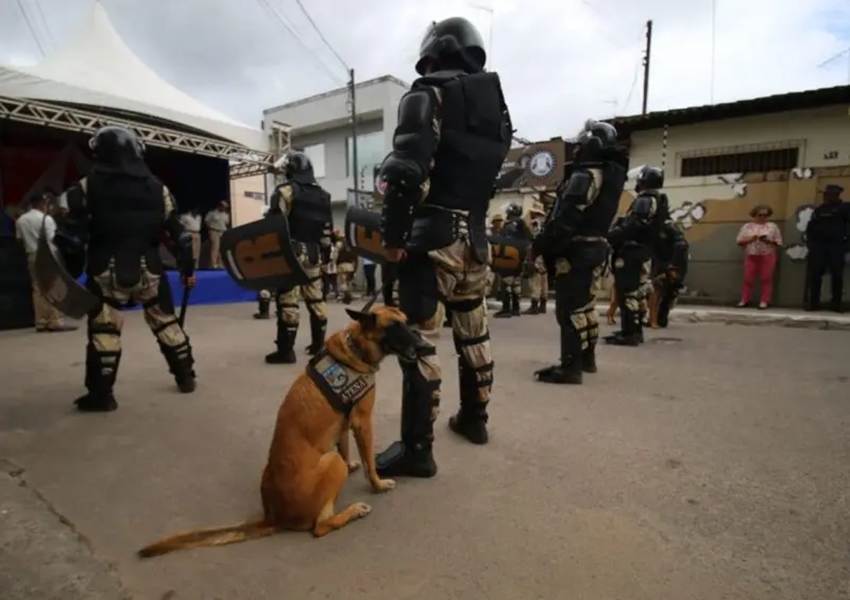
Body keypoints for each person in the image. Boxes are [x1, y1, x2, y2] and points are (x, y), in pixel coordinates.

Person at [374, 16, 512, 478]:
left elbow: (406, 172)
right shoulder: (498, 110)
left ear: (436, 50)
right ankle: (475, 420)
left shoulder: (427, 93)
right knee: (474, 335)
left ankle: (418, 449)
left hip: (432, 242)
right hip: (476, 240)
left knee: (420, 343)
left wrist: (393, 241)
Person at [57, 126, 197, 412]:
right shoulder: (160, 189)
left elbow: (72, 240)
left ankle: (102, 395)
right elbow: (181, 237)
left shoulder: (86, 187)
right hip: (152, 272)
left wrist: (69, 273)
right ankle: (186, 377)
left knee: (105, 330)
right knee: (167, 323)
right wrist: (187, 270)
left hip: (105, 271)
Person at [532, 120, 628, 383]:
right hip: (596, 247)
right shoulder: (609, 176)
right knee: (586, 307)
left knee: (569, 309)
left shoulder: (586, 175)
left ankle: (570, 367)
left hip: (577, 251)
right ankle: (587, 359)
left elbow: (565, 219)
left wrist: (541, 246)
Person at [265, 150, 333, 364]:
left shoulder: (285, 192)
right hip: (313, 254)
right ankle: (318, 345)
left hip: (291, 254)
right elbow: (326, 232)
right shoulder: (324, 195)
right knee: (316, 298)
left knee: (288, 300)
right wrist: (325, 256)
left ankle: (286, 351)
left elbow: (275, 227)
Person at [605, 165, 667, 346]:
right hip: (644, 251)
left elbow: (634, 226)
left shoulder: (646, 199)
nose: (637, 183)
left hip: (632, 252)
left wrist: (613, 235)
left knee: (627, 293)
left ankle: (630, 333)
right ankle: (634, 331)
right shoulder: (659, 199)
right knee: (638, 293)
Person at [15, 192, 77, 333]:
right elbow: (52, 240)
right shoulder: (46, 219)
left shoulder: (21, 220)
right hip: (47, 255)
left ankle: (41, 322)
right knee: (54, 288)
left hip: (31, 254)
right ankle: (55, 321)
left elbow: (19, 240)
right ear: (42, 204)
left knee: (38, 289)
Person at [805, 184, 848, 312]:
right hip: (819, 247)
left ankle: (836, 304)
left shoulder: (845, 209)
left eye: (827, 194)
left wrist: (846, 246)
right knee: (815, 275)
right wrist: (811, 244)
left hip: (836, 246)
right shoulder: (819, 210)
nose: (824, 196)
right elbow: (810, 228)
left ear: (835, 195)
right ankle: (814, 303)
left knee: (837, 276)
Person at [735, 204, 783, 309]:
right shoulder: (747, 226)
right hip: (751, 254)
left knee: (766, 278)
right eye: (760, 215)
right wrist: (751, 239)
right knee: (748, 278)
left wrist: (767, 241)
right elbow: (739, 241)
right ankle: (744, 299)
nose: (762, 217)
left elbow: (779, 242)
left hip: (767, 254)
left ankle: (765, 300)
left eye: (765, 215)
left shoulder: (772, 227)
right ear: (755, 215)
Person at [493, 202, 531, 318]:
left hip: (510, 254)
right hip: (521, 254)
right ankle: (516, 308)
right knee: (516, 282)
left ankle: (506, 309)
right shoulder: (523, 224)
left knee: (506, 282)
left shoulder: (510, 224)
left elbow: (505, 239)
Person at [653, 220, 689, 328]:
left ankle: (658, 318)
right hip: (669, 265)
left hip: (669, 265)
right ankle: (659, 318)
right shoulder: (677, 241)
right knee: (666, 293)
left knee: (663, 293)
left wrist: (671, 267)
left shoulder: (673, 239)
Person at [523, 202, 549, 315]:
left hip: (537, 253)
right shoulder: (546, 224)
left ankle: (534, 305)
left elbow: (533, 239)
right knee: (544, 280)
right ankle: (543, 305)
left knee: (535, 279)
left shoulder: (534, 224)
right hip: (545, 254)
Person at [204, 201, 230, 269]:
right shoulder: (212, 213)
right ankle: (213, 264)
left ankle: (220, 264)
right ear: (219, 206)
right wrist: (210, 228)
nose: (224, 208)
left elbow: (226, 223)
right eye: (223, 207)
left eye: (225, 207)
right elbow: (206, 221)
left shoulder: (225, 215)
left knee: (221, 248)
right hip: (214, 231)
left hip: (222, 232)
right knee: (215, 248)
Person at [321, 230, 340, 301]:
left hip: (328, 265)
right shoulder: (334, 247)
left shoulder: (328, 247)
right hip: (330, 265)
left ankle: (326, 295)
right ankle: (335, 293)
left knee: (328, 281)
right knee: (332, 281)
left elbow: (332, 256)